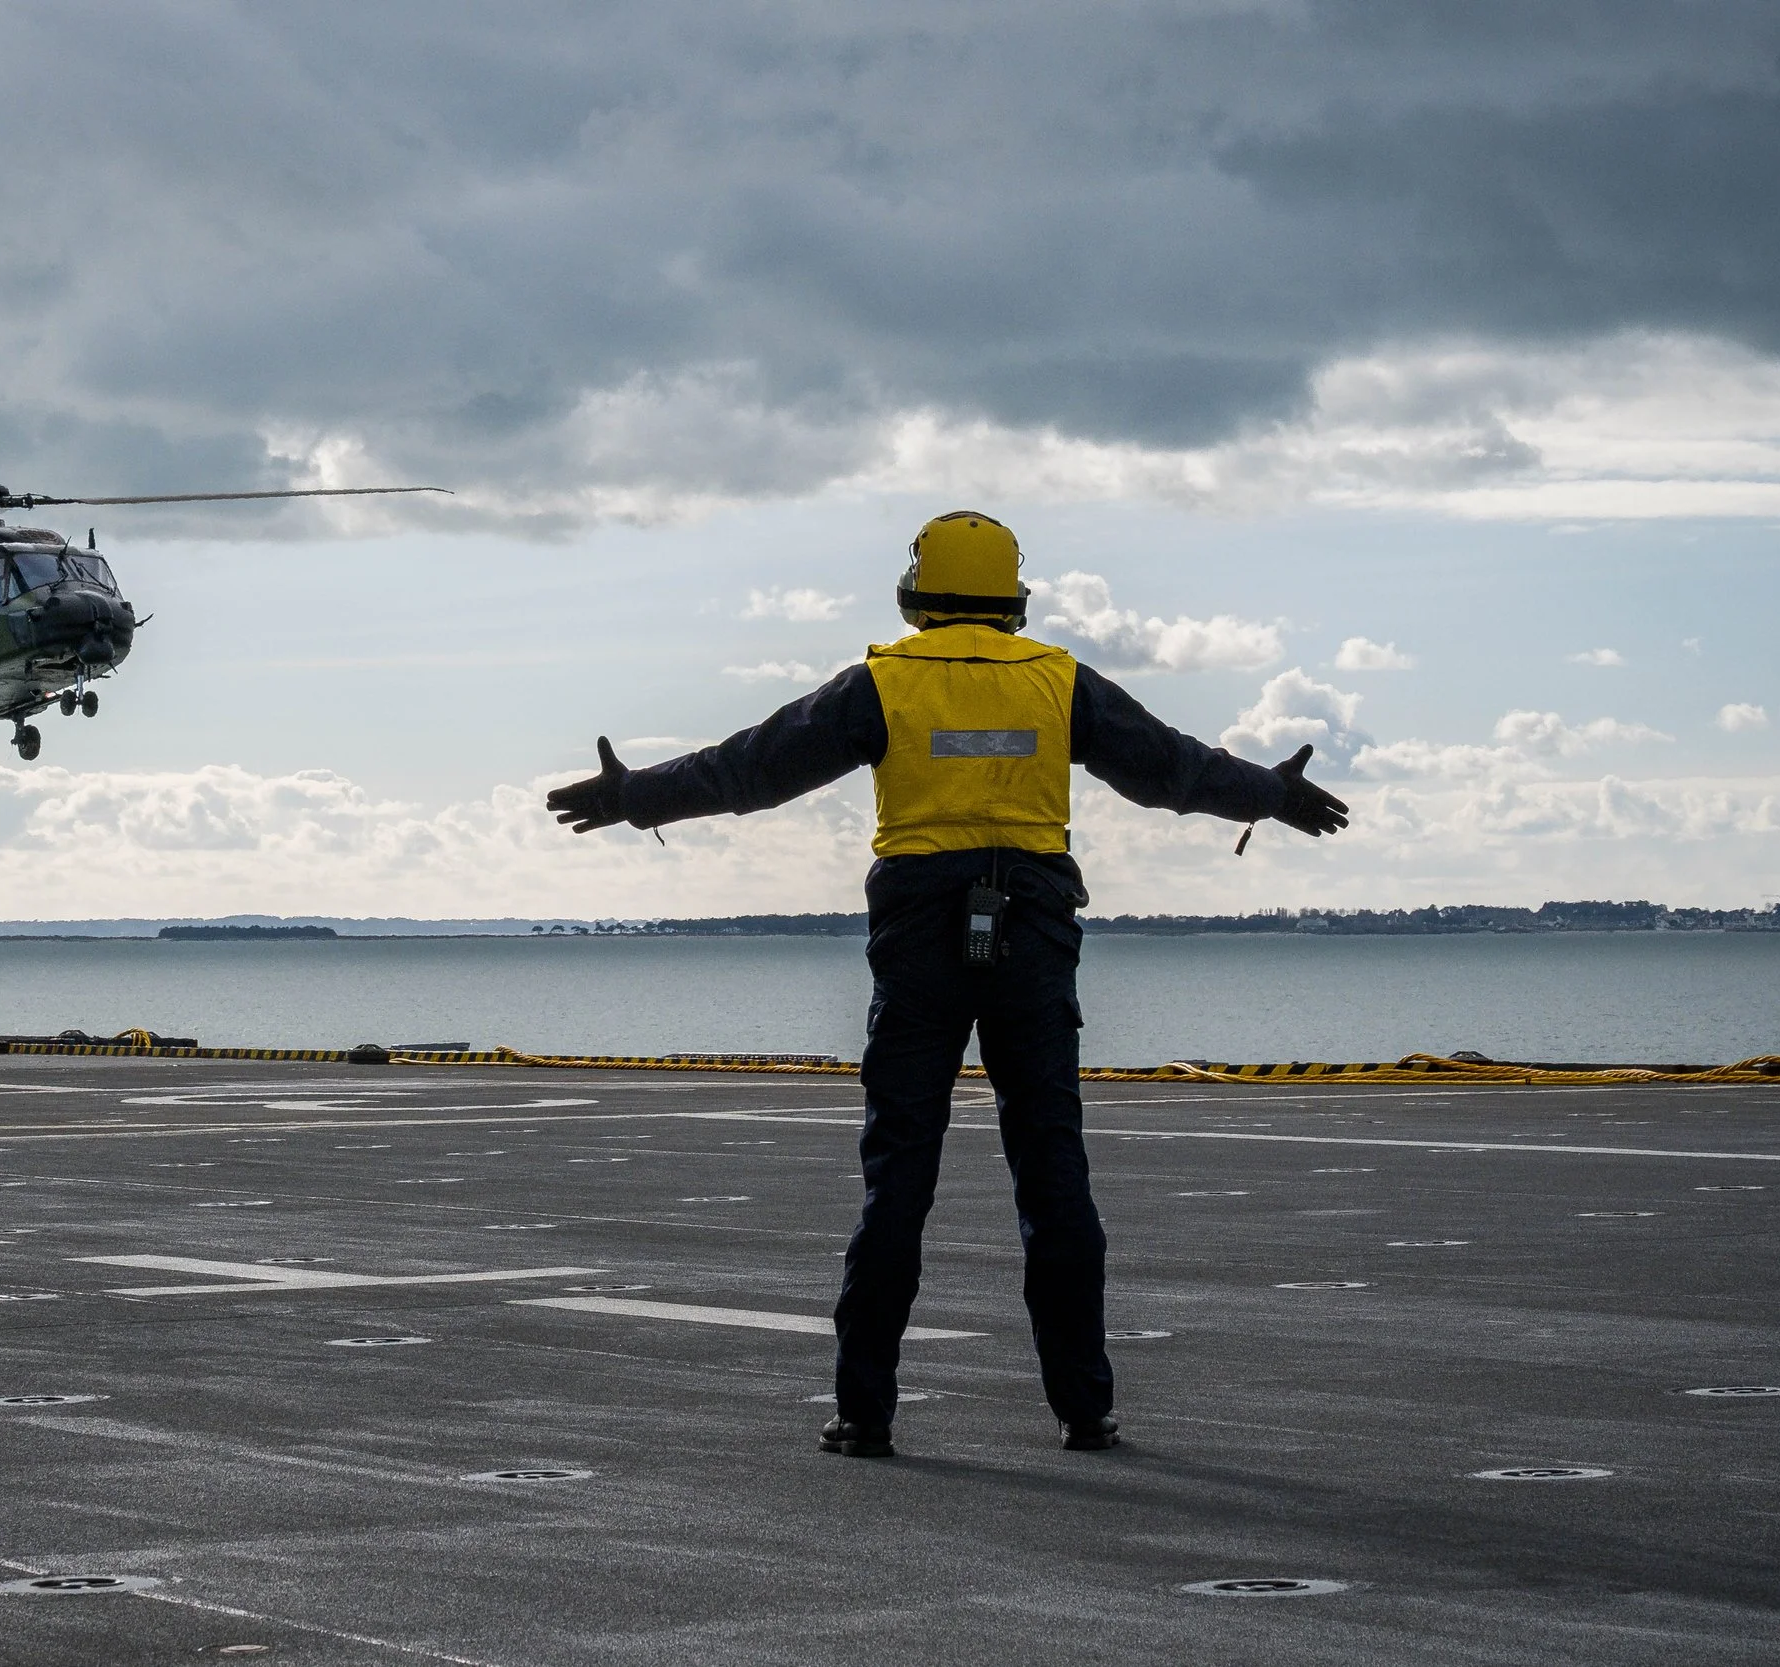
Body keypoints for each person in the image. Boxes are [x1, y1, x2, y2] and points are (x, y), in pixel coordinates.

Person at [545, 511, 1348, 1457]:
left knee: (899, 1172)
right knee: (1052, 1166)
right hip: (1034, 926)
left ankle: (864, 1412)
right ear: (1014, 596)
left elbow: (752, 769)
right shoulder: (1060, 681)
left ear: (915, 593)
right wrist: (1271, 792)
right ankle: (1085, 1407)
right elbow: (1172, 770)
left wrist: (633, 795)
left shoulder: (882, 682)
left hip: (919, 930)